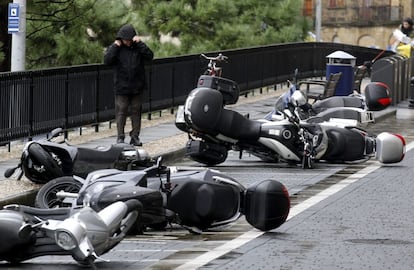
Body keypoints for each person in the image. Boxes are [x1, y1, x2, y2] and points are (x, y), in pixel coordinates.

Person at [104, 24, 154, 146]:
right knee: (121, 111)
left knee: (136, 111)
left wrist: (141, 43)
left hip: (137, 85)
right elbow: (107, 60)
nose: (127, 42)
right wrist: (115, 46)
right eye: (124, 40)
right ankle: (120, 136)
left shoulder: (138, 47)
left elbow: (150, 56)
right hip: (122, 86)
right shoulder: (117, 48)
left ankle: (135, 136)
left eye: (129, 39)